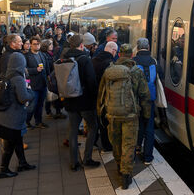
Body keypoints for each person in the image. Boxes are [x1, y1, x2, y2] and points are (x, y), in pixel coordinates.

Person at [98, 44, 151, 189]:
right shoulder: (136, 72)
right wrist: (146, 115)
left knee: (116, 142)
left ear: (119, 55)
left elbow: (101, 94)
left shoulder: (109, 71)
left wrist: (100, 113)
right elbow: (144, 95)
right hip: (130, 115)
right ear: (131, 56)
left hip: (112, 114)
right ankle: (126, 175)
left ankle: (118, 167)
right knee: (128, 144)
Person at [62, 34, 100, 171]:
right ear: (82, 45)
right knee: (93, 127)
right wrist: (96, 95)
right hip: (85, 101)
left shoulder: (64, 58)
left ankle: (74, 162)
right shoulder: (84, 59)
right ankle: (87, 158)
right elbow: (91, 81)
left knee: (72, 130)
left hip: (70, 100)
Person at [0, 52, 36, 178]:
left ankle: (22, 163)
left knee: (18, 140)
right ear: (20, 63)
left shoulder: (6, 74)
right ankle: (4, 169)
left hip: (5, 115)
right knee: (10, 145)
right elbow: (23, 98)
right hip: (13, 117)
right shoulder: (17, 78)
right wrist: (31, 93)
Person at [133, 38, 163, 165]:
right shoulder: (154, 61)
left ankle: (137, 148)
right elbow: (159, 76)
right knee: (149, 127)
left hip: (136, 99)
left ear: (137, 47)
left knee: (136, 124)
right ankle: (148, 157)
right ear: (149, 47)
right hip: (149, 99)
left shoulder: (133, 61)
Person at [91, 41, 118, 152]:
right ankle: (106, 145)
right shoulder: (110, 63)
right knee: (104, 122)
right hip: (104, 97)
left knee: (94, 121)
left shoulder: (93, 60)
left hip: (92, 95)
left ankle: (93, 142)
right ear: (113, 51)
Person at [24, 37, 50, 129]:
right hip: (33, 85)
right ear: (30, 45)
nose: (37, 45)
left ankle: (38, 122)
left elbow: (46, 68)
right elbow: (25, 70)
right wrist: (35, 70)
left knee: (40, 105)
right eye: (35, 44)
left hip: (43, 84)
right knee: (32, 106)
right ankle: (26, 122)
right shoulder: (27, 56)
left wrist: (48, 76)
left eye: (38, 44)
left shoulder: (42, 55)